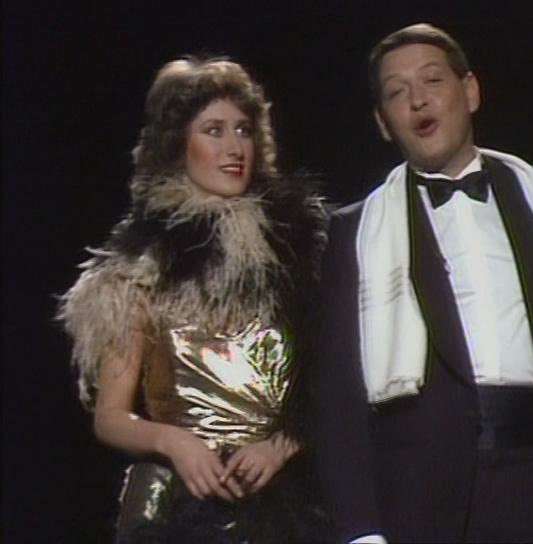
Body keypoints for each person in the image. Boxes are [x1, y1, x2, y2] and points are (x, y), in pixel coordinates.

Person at [309, 23, 533, 543]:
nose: (418, 100)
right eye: (397, 92)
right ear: (383, 122)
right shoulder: (355, 230)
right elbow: (338, 396)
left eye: (432, 81)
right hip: (421, 501)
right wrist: (362, 532)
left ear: (470, 91)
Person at [58, 57, 332, 543]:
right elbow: (110, 417)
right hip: (179, 504)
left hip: (288, 505)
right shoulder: (140, 266)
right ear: (177, 145)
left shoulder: (299, 253)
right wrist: (175, 443)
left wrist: (281, 445)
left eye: (243, 130)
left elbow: (335, 384)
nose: (234, 148)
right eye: (213, 130)